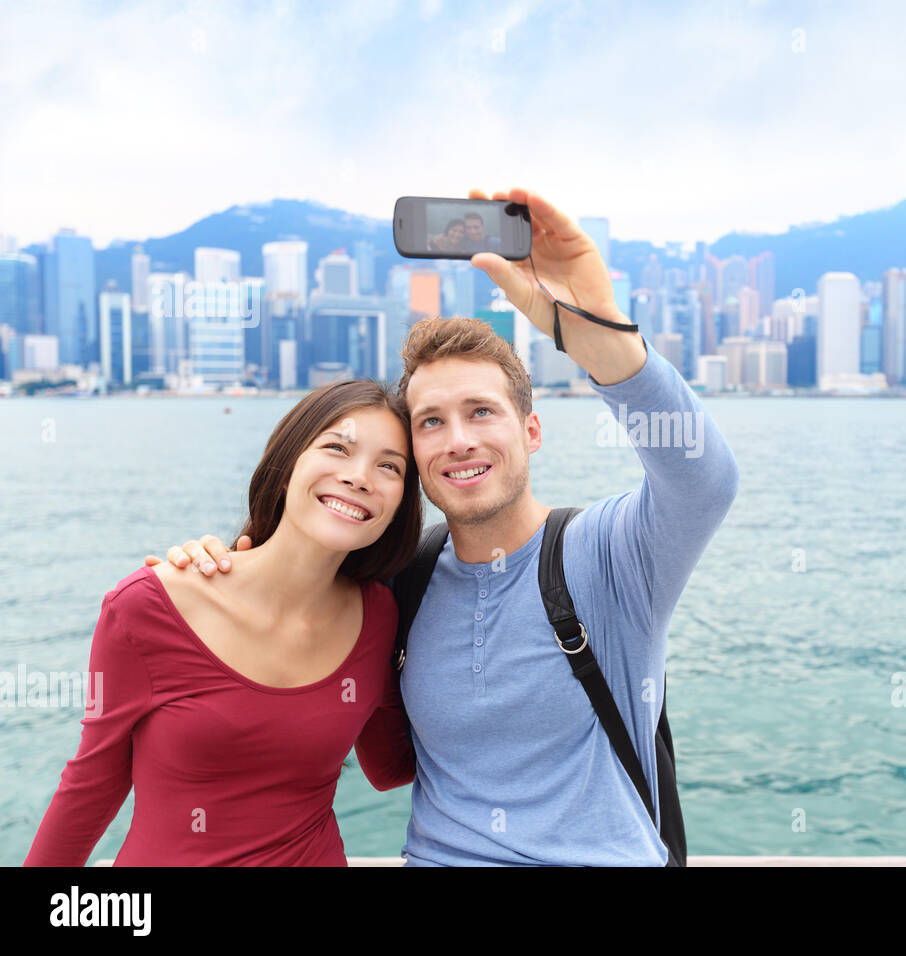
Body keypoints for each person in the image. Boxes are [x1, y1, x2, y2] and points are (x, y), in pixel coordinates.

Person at [156, 186, 740, 866]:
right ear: (413, 454)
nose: (457, 439)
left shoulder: (611, 554)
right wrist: (212, 568)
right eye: (431, 421)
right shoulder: (403, 576)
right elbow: (290, 608)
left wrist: (596, 329)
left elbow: (704, 482)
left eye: (481, 412)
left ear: (532, 430)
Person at [25, 380, 424, 866]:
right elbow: (91, 786)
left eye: (389, 466)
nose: (360, 477)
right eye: (337, 448)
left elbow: (389, 766)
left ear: (400, 503)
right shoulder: (147, 606)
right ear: (286, 467)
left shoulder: (380, 615)